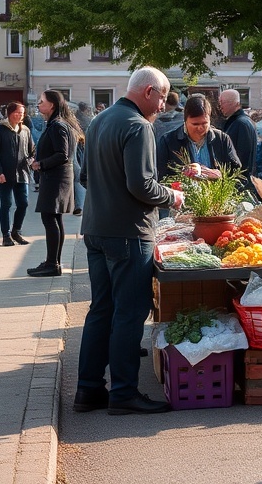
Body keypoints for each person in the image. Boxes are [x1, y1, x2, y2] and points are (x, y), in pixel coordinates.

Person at [75, 67, 185, 415]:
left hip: (96, 229)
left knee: (101, 311)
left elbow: (86, 176)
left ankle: (88, 390)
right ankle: (124, 392)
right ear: (149, 91)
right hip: (128, 233)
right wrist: (173, 197)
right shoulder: (138, 126)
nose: (164, 104)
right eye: (163, 96)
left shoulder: (99, 120)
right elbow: (142, 186)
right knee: (128, 314)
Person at [28, 90, 79, 277]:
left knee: (50, 219)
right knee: (54, 219)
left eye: (41, 102)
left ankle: (53, 264)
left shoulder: (58, 125)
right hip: (56, 177)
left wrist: (41, 163)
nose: (39, 105)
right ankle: (53, 262)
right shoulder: (54, 124)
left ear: (52, 105)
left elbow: (62, 154)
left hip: (56, 178)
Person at [156, 94, 241, 183]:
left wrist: (219, 174)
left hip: (215, 195)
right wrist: (182, 174)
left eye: (204, 123)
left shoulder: (222, 139)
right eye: (195, 124)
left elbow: (237, 173)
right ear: (185, 120)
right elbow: (161, 177)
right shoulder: (168, 141)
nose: (200, 128)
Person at [0, 101, 35, 246]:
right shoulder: (0, 130)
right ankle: (6, 235)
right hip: (5, 174)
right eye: (17, 113)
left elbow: (32, 150)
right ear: (9, 113)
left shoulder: (25, 130)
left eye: (22, 113)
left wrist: (29, 162)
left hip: (22, 174)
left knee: (23, 203)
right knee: (7, 204)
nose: (20, 116)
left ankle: (16, 231)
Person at [218, 89, 257, 184]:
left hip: (239, 181)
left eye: (222, 102)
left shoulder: (240, 124)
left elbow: (242, 156)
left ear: (233, 103)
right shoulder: (241, 122)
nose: (220, 107)